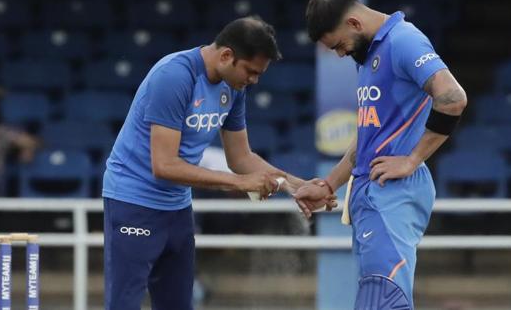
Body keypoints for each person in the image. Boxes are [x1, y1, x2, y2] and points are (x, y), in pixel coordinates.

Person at [102, 16, 336, 310]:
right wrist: (239, 183)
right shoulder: (174, 76)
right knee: (123, 305)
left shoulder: (234, 87)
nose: (254, 81)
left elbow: (241, 159)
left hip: (177, 208)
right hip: (133, 203)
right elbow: (164, 166)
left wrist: (297, 186)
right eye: (251, 71)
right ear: (226, 55)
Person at [295, 0, 468, 309]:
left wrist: (412, 160)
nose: (338, 54)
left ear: (353, 22)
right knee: (377, 298)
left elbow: (453, 98)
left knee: (383, 299)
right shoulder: (368, 56)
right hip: (370, 195)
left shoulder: (404, 41)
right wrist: (330, 184)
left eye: (337, 45)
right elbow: (368, 136)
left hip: (392, 195)